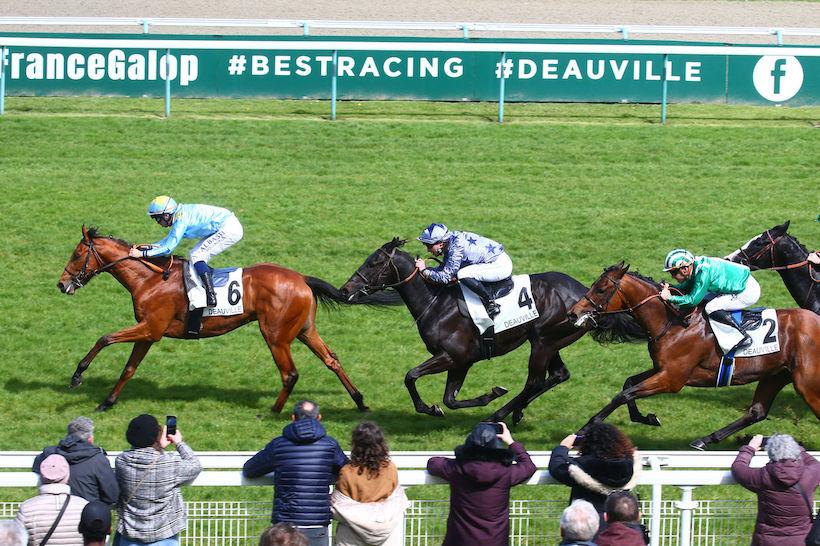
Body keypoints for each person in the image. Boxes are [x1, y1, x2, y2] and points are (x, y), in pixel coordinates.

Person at [243, 400, 348, 546]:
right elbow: (346, 470)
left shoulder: (278, 444)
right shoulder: (330, 445)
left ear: (293, 418)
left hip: (285, 528)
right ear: (319, 418)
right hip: (316, 525)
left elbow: (250, 470)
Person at [426, 421, 536, 546]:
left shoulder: (457, 469)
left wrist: (461, 457)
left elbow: (433, 463)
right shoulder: (506, 472)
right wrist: (511, 442)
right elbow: (528, 466)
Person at [128, 196, 243, 308]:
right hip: (222, 226)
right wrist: (146, 248)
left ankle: (211, 294)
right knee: (195, 254)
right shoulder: (179, 215)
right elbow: (167, 241)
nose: (157, 222)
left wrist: (142, 254)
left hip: (229, 228)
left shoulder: (181, 220)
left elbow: (168, 248)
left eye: (157, 218)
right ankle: (208, 283)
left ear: (167, 215)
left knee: (197, 255)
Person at [115, 413, 202, 546]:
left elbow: (138, 455)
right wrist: (179, 443)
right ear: (156, 436)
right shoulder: (169, 463)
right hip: (164, 537)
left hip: (130, 536)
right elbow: (195, 465)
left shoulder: (121, 462)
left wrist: (156, 446)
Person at [659, 248, 760, 352]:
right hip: (737, 284)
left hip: (747, 291)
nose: (672, 276)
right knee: (705, 300)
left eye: (673, 273)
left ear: (684, 269)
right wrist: (672, 287)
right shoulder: (696, 265)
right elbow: (691, 284)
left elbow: (692, 300)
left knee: (711, 308)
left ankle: (742, 336)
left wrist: (669, 297)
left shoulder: (703, 273)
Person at [731, 433, 820, 546]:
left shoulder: (762, 476)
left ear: (770, 454)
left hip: (766, 541)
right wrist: (795, 448)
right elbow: (813, 462)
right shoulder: (811, 473)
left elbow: (738, 468)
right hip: (801, 540)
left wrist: (750, 448)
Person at [331, 421, 409, 546]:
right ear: (380, 443)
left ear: (356, 444)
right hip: (388, 535)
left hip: (351, 536)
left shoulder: (347, 472)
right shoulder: (390, 468)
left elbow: (339, 504)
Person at [414, 223, 512, 318]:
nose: (428, 250)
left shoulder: (456, 249)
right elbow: (447, 269)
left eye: (429, 246)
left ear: (440, 244)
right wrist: (428, 270)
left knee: (463, 274)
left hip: (500, 266)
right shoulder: (451, 240)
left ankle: (491, 304)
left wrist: (424, 270)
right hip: (493, 260)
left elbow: (445, 277)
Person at [549, 424, 641, 522]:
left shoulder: (583, 465)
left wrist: (563, 447)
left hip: (586, 526)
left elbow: (557, 467)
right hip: (622, 527)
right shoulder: (629, 464)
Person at [33, 416, 119, 506]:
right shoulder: (98, 459)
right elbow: (112, 496)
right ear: (90, 439)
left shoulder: (49, 454)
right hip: (88, 514)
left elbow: (36, 468)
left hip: (53, 511)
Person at [16, 454, 88, 546]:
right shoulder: (84, 506)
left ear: (42, 476)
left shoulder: (26, 508)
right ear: (67, 476)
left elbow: (17, 541)